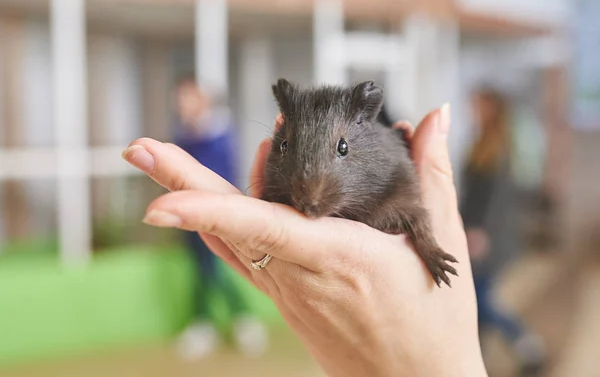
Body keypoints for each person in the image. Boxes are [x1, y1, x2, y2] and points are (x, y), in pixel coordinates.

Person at [123, 104, 489, 376]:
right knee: (210, 274)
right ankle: (222, 324)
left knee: (213, 275)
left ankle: (235, 323)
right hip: (226, 224)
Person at [169, 76, 268, 359]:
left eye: (188, 98)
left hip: (215, 215)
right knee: (203, 271)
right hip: (187, 214)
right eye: (179, 99)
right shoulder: (183, 136)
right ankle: (216, 324)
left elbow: (217, 176)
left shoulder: (218, 135)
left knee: (213, 270)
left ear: (203, 100)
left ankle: (237, 321)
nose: (182, 105)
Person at [459, 87, 546, 375]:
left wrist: (479, 232)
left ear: (492, 109)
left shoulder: (498, 148)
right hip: (476, 234)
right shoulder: (481, 143)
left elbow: (496, 199)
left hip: (487, 239)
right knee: (477, 299)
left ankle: (525, 343)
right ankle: (477, 359)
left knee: (480, 298)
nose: (473, 110)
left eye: (479, 104)